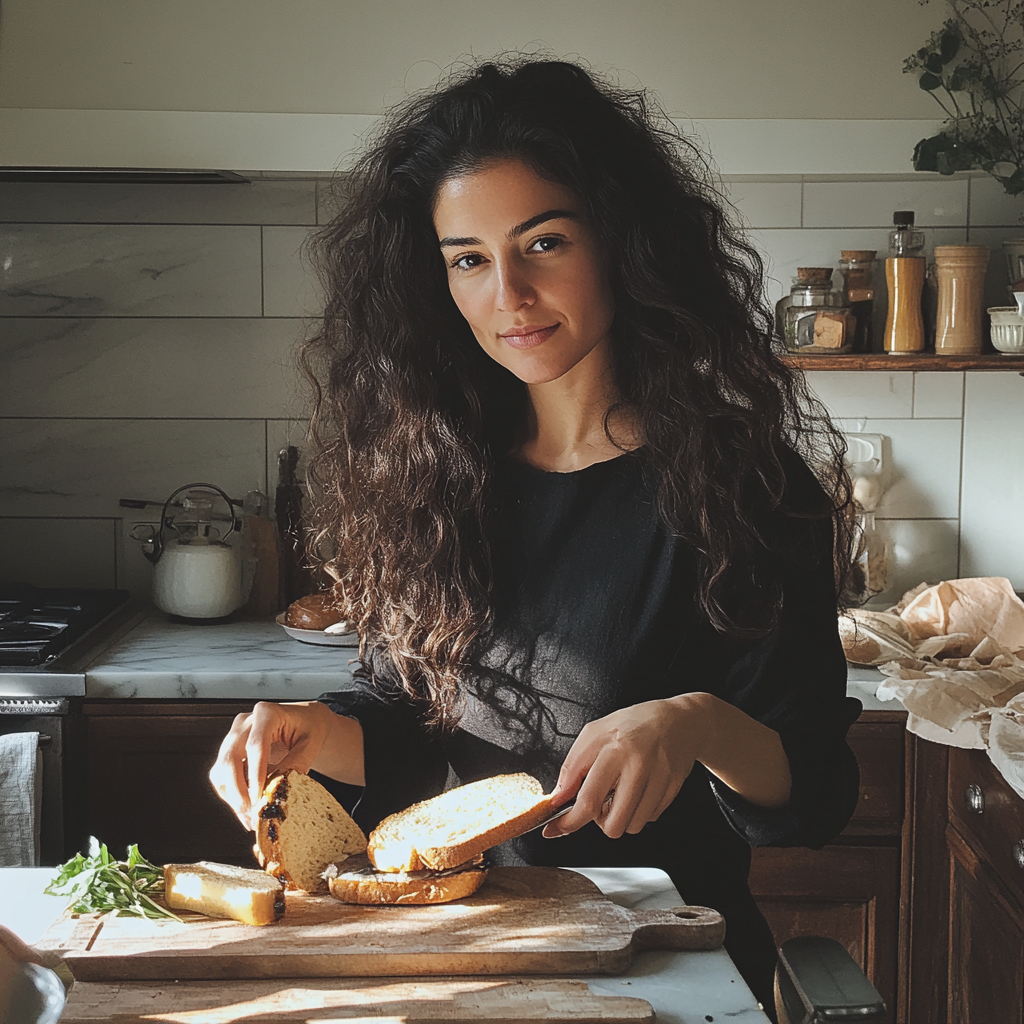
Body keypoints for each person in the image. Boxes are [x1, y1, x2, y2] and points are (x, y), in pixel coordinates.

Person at [210, 57, 861, 1015]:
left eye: (543, 242)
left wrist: (698, 723)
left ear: (623, 243)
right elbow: (406, 711)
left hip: (665, 967)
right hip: (470, 956)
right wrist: (316, 733)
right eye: (468, 258)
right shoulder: (433, 477)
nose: (507, 293)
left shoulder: (745, 487)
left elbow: (817, 791)